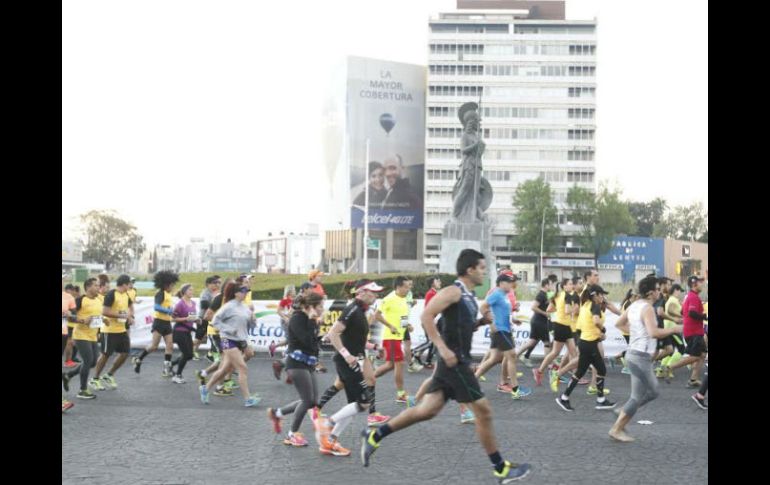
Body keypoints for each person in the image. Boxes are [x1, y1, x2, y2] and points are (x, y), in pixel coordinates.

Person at [359, 249, 532, 483]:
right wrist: (442, 348)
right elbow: (427, 316)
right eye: (481, 268)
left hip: (451, 362)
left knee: (426, 411)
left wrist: (480, 321)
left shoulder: (470, 297)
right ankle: (500, 468)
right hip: (455, 362)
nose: (484, 272)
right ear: (469, 270)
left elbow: (460, 326)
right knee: (484, 412)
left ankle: (375, 436)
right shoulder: (453, 291)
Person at [314, 280, 387, 457]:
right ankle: (327, 424)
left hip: (355, 360)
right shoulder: (352, 310)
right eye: (373, 292)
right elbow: (333, 333)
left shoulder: (361, 311)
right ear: (360, 293)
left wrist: (375, 348)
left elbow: (356, 340)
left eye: (377, 292)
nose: (376, 295)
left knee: (353, 406)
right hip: (347, 362)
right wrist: (347, 355)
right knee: (362, 403)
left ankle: (330, 442)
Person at [608, 276, 684, 442]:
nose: (660, 291)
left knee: (648, 392)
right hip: (639, 357)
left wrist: (636, 331)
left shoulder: (635, 305)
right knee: (644, 394)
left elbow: (619, 323)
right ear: (650, 293)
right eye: (658, 289)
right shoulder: (648, 308)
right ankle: (617, 427)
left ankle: (623, 412)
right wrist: (675, 329)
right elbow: (654, 333)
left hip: (634, 355)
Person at [266, 291, 325, 447]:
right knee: (307, 400)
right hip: (296, 363)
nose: (322, 309)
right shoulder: (298, 319)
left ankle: (277, 413)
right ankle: (291, 434)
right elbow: (307, 341)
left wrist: (315, 325)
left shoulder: (309, 319)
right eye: (320, 306)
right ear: (310, 307)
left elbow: (314, 343)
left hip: (308, 363)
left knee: (312, 401)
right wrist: (314, 322)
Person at [555, 285, 616, 412]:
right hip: (589, 344)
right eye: (601, 295)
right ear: (595, 295)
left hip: (586, 342)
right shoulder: (594, 306)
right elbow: (595, 321)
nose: (603, 297)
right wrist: (602, 329)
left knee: (581, 372)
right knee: (601, 370)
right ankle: (599, 400)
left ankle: (565, 397)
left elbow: (580, 326)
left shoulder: (585, 305)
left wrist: (595, 335)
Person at [199, 282, 261, 407]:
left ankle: (206, 388)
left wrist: (253, 321)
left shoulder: (245, 307)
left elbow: (250, 326)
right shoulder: (228, 306)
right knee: (242, 367)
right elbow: (215, 321)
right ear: (236, 293)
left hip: (241, 340)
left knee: (225, 369)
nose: (245, 294)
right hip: (228, 340)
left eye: (246, 291)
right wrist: (227, 329)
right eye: (243, 291)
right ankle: (248, 399)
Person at [474, 272, 532, 399]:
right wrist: (490, 320)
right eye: (509, 282)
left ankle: (471, 383)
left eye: (512, 282)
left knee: (494, 359)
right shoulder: (496, 294)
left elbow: (502, 311)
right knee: (512, 356)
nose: (512, 284)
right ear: (501, 283)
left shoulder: (505, 295)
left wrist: (513, 320)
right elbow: (483, 307)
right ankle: (516, 389)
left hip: (504, 329)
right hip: (500, 330)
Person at [372, 276, 413, 404]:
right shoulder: (388, 299)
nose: (408, 289)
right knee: (399, 363)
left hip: (398, 337)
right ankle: (400, 394)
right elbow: (377, 315)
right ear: (398, 287)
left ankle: (365, 380)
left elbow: (402, 316)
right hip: (391, 337)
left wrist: (408, 325)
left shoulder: (404, 299)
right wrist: (390, 326)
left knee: (390, 365)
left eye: (409, 286)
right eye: (406, 286)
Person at [662, 275, 707, 387]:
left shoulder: (689, 296)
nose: (702, 284)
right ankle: (670, 367)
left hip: (692, 330)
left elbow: (683, 312)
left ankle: (693, 379)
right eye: (700, 282)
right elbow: (692, 313)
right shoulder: (693, 297)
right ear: (693, 284)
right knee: (696, 356)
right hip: (694, 332)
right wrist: (704, 316)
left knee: (702, 355)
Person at [133, 270, 179, 377]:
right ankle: (139, 358)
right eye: (171, 284)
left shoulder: (168, 294)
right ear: (166, 284)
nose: (172, 286)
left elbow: (166, 307)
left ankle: (166, 369)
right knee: (154, 347)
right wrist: (168, 311)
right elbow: (156, 307)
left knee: (170, 345)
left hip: (167, 323)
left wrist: (172, 313)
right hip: (159, 323)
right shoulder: (160, 293)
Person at [92, 274, 134, 389]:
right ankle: (95, 379)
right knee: (106, 355)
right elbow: (104, 311)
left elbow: (130, 305)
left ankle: (109, 375)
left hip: (122, 330)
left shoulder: (126, 294)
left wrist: (131, 316)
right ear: (124, 284)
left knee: (125, 353)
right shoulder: (111, 294)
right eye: (129, 284)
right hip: (109, 330)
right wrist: (122, 314)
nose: (130, 285)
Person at [169, 283, 198, 384]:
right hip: (179, 331)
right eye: (190, 290)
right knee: (186, 354)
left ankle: (171, 364)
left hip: (188, 331)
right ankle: (178, 375)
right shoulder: (180, 304)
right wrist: (186, 319)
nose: (192, 291)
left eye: (192, 290)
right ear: (184, 291)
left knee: (190, 355)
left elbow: (192, 317)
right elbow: (173, 318)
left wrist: (197, 321)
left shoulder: (193, 303)